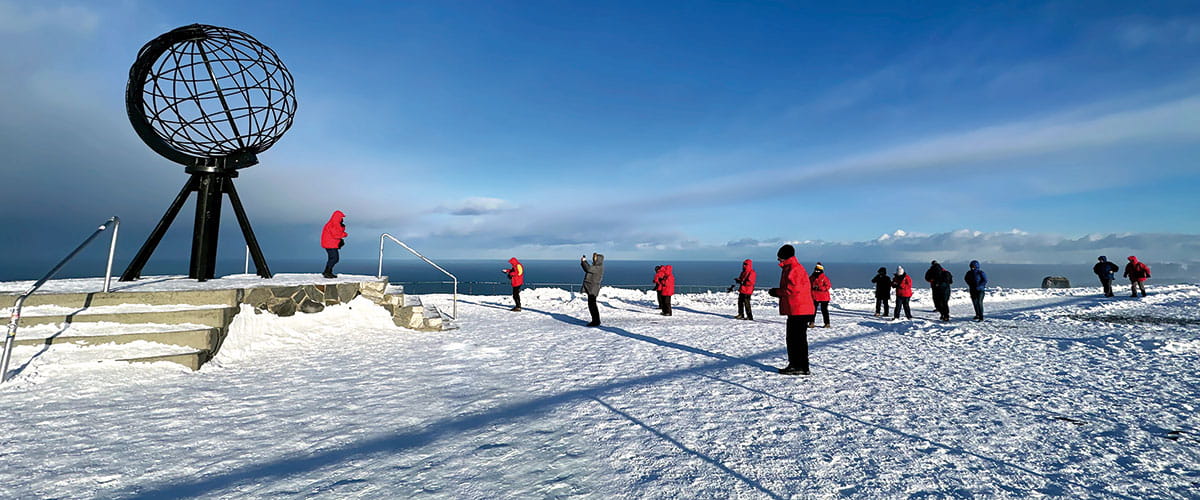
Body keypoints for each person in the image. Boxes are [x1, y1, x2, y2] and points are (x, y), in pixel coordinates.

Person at [769, 245, 814, 375]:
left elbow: (792, 289)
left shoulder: (794, 269)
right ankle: (800, 366)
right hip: (799, 309)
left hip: (799, 309)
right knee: (797, 339)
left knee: (795, 339)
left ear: (784, 256)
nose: (778, 260)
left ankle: (798, 366)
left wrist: (776, 292)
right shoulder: (792, 267)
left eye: (779, 258)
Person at [320, 210, 347, 278]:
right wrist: (344, 234)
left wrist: (342, 227)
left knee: (332, 258)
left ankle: (328, 272)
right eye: (341, 217)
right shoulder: (333, 224)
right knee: (335, 258)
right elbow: (336, 234)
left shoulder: (334, 224)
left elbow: (337, 232)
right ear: (338, 217)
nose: (342, 219)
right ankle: (327, 272)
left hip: (330, 244)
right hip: (330, 244)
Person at [581, 253, 605, 326]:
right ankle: (595, 320)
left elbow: (588, 269)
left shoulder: (598, 267)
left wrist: (584, 261)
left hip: (593, 289)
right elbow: (587, 269)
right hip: (592, 288)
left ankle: (596, 321)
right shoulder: (596, 267)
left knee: (592, 305)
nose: (593, 259)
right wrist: (583, 262)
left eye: (595, 258)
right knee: (592, 305)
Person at [809, 263, 831, 328]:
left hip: (824, 297)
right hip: (814, 296)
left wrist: (819, 288)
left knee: (824, 310)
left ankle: (827, 323)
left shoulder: (824, 278)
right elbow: (808, 284)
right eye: (816, 270)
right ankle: (811, 322)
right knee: (813, 310)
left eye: (818, 270)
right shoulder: (811, 277)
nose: (816, 272)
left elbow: (828, 286)